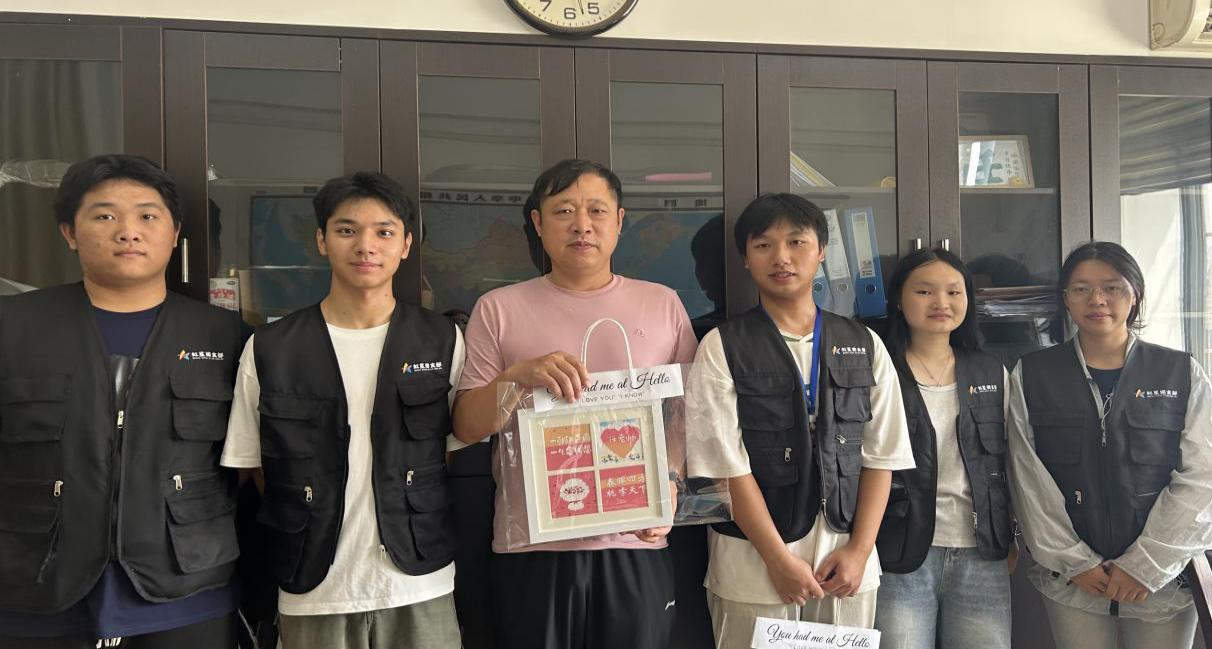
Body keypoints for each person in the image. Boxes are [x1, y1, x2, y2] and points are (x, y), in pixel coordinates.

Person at [451, 158, 697, 649]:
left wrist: (670, 483)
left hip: (636, 539)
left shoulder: (662, 303)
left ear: (619, 221)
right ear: (538, 223)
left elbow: (687, 412)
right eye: (563, 211)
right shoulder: (498, 309)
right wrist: (515, 379)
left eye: (596, 211)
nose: (582, 224)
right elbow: (466, 426)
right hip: (531, 544)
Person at [0, 154, 242, 648]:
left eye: (148, 216)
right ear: (69, 232)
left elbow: (253, 469)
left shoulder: (227, 337)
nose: (128, 232)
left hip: (187, 588)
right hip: (35, 586)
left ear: (174, 234)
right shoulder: (12, 327)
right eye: (105, 215)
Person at [220, 171, 465, 649]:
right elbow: (255, 467)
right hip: (313, 588)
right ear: (321, 240)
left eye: (384, 232)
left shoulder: (441, 339)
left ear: (406, 244)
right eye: (347, 230)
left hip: (420, 581)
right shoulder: (271, 347)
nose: (365, 246)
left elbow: (447, 451)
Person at [684, 193, 913, 648]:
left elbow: (882, 456)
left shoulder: (865, 343)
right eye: (763, 245)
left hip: (845, 563)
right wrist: (777, 559)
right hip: (751, 562)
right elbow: (725, 467)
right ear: (745, 258)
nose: (781, 257)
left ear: (822, 251)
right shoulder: (722, 346)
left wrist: (859, 551)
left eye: (796, 242)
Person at [1008, 241, 1212, 649]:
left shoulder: (1180, 372)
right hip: (1073, 581)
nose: (1097, 300)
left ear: (1135, 295)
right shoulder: (1032, 374)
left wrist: (1146, 565)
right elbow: (1026, 478)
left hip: (1162, 581)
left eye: (1112, 287)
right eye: (1081, 289)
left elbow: (1206, 478)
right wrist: (1075, 562)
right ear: (1066, 299)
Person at [872, 247, 1015, 649]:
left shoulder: (991, 371)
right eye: (924, 292)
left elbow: (1011, 463)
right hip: (897, 552)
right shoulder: (879, 370)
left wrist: (1012, 535)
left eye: (954, 292)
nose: (941, 302)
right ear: (898, 300)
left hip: (980, 552)